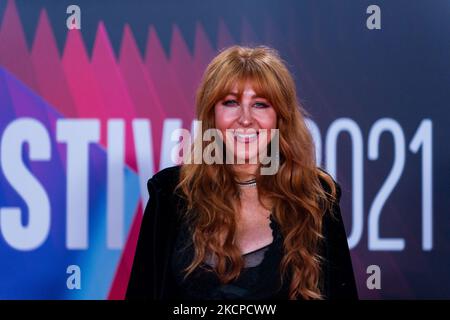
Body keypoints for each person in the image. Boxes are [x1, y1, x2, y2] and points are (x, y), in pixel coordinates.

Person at [126, 45, 358, 300]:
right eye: (231, 103)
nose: (245, 119)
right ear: (211, 115)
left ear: (280, 117)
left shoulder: (315, 196)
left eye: (260, 104)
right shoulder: (170, 192)